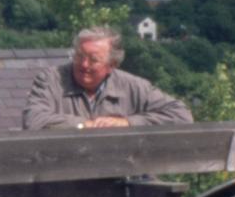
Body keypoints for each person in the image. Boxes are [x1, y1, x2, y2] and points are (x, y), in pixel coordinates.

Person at [21, 25, 193, 131]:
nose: (84, 64)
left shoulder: (133, 86)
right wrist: (85, 125)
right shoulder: (50, 80)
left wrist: (127, 123)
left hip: (122, 178)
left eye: (93, 60)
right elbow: (34, 119)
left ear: (112, 65)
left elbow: (182, 115)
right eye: (79, 56)